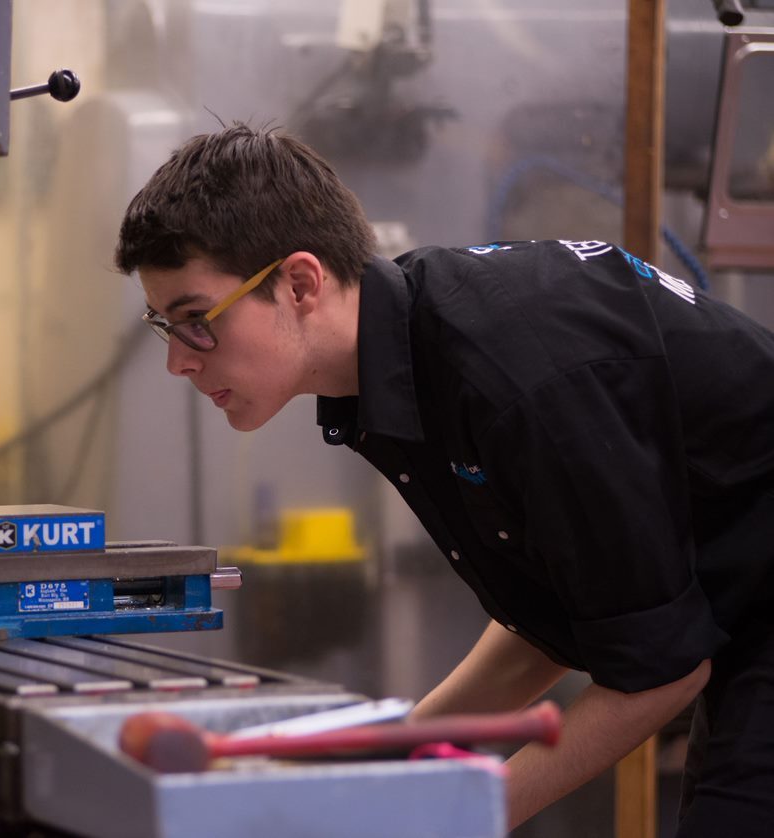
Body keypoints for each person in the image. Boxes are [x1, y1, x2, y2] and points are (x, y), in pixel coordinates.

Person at [113, 123, 774, 835]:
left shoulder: (517, 378)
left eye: (195, 320)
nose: (179, 362)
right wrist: (373, 767)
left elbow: (659, 673)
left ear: (300, 282)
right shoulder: (413, 365)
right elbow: (551, 620)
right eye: (164, 326)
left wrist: (444, 818)